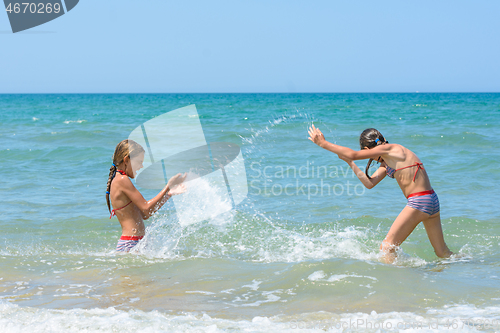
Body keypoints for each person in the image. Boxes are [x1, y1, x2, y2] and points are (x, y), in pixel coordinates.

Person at [308, 125, 453, 263]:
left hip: (419, 202)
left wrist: (323, 143)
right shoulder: (389, 158)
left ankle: (401, 282)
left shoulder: (390, 149)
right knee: (442, 253)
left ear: (367, 149)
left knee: (386, 247)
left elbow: (353, 153)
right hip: (431, 200)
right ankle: (470, 263)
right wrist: (350, 163)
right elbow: (369, 183)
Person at [105, 139, 187, 252]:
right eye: (139, 161)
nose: (141, 166)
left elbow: (145, 214)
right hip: (130, 243)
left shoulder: (119, 179)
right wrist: (167, 186)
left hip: (134, 242)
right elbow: (146, 208)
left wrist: (168, 194)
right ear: (126, 160)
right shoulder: (122, 180)